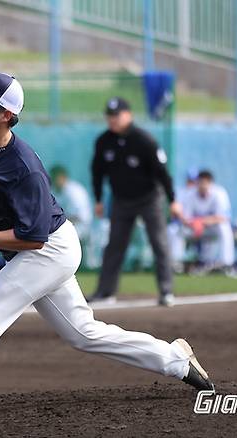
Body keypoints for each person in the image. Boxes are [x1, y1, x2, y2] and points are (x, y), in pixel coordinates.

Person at [0, 35, 213, 425]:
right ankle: (174, 360)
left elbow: (34, 238)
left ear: (5, 115)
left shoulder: (23, 167)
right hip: (30, 250)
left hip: (49, 248)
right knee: (83, 333)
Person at [88, 97, 180, 307]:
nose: (113, 119)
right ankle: (105, 292)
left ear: (128, 115)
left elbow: (162, 173)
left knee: (159, 243)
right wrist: (99, 199)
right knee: (114, 246)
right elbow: (97, 172)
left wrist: (173, 200)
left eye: (117, 115)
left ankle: (166, 291)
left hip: (149, 199)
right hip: (121, 200)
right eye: (110, 116)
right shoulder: (104, 142)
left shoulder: (144, 140)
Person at [180, 170, 235, 273]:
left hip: (213, 228)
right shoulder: (190, 194)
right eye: (200, 182)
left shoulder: (219, 193)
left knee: (224, 227)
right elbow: (185, 218)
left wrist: (202, 221)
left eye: (205, 183)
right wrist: (194, 223)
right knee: (174, 231)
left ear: (211, 183)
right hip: (195, 229)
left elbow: (224, 217)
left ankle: (227, 264)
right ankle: (177, 263)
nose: (202, 186)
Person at [50, 165, 93, 244]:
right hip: (63, 233)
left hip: (80, 233)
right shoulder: (54, 191)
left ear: (62, 177)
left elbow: (79, 217)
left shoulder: (75, 192)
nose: (52, 181)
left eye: (54, 178)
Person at [167, 168, 199, 273]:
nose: (192, 183)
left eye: (194, 180)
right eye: (190, 180)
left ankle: (211, 263)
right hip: (182, 225)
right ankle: (176, 263)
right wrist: (183, 219)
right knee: (173, 231)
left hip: (198, 226)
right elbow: (173, 211)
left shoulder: (199, 193)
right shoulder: (180, 192)